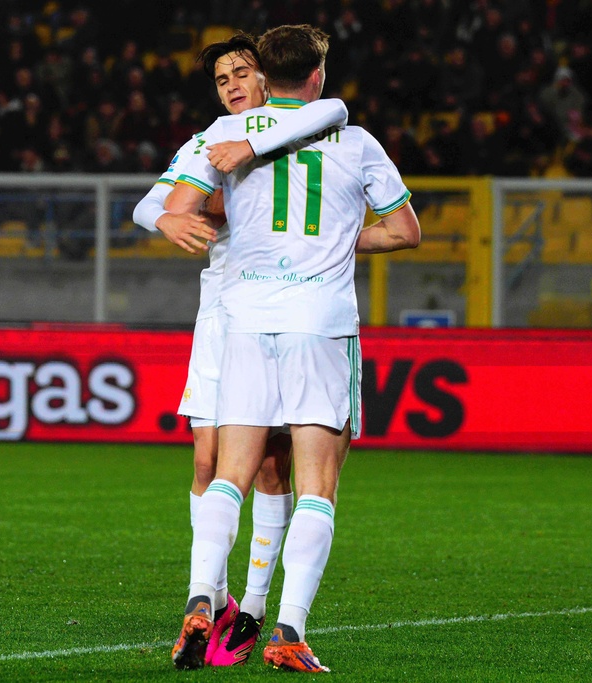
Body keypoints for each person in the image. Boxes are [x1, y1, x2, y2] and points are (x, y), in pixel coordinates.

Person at [163, 24, 420, 672]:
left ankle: (202, 597)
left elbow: (180, 209)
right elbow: (405, 230)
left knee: (231, 472)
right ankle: (287, 630)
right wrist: (335, 241)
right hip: (319, 324)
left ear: (260, 76)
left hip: (245, 321)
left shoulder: (225, 136)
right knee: (317, 484)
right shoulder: (356, 142)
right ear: (317, 75)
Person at [132, 33, 349, 668]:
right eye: (221, 77)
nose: (229, 84)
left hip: (285, 313)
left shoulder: (310, 130)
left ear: (269, 76)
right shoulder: (211, 139)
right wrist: (167, 219)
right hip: (226, 316)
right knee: (212, 463)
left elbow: (331, 109)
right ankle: (218, 600)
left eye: (241, 71)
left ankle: (251, 608)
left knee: (275, 465)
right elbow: (154, 200)